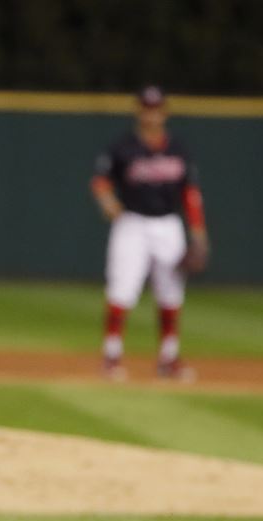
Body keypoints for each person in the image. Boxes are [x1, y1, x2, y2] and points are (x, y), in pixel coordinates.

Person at [90, 85, 210, 381]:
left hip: (168, 225)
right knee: (122, 289)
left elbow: (191, 193)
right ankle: (112, 356)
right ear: (139, 111)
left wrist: (198, 231)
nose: (151, 114)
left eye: (156, 108)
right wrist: (107, 200)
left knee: (171, 293)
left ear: (164, 112)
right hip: (132, 223)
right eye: (146, 107)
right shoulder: (123, 147)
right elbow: (101, 180)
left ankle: (169, 359)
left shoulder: (178, 149)